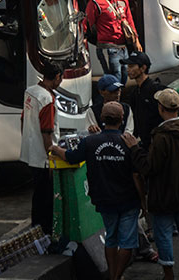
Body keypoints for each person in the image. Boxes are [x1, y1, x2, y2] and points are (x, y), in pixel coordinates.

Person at [50, 102, 141, 280]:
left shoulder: (90, 142)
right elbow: (137, 174)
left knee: (111, 238)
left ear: (102, 119)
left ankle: (113, 275)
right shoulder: (129, 143)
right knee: (127, 243)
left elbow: (70, 157)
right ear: (122, 119)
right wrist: (143, 201)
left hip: (104, 199)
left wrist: (56, 149)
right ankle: (117, 276)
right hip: (128, 200)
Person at [123, 89, 179, 280]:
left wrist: (135, 149)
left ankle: (169, 274)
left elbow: (150, 167)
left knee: (163, 235)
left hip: (164, 195)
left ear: (161, 108)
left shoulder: (161, 136)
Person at [20, 63, 63, 234]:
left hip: (31, 151)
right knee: (46, 198)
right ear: (57, 77)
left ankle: (36, 230)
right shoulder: (46, 99)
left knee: (38, 195)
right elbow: (47, 132)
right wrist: (51, 158)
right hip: (43, 157)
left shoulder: (30, 91)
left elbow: (23, 120)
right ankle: (44, 232)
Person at [125, 51, 179, 146]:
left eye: (131, 66)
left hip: (162, 145)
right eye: (128, 66)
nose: (128, 69)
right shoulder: (135, 94)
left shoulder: (159, 91)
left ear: (143, 68)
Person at [87, 0, 142, 82]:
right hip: (108, 48)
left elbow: (129, 19)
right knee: (114, 81)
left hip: (123, 47)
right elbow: (87, 25)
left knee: (124, 78)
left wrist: (136, 40)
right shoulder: (95, 2)